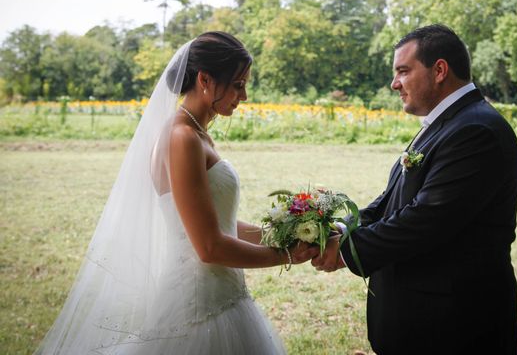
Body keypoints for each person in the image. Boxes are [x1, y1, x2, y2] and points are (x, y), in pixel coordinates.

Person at [35, 32, 316, 354]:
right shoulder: (181, 137)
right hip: (198, 302)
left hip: (223, 292)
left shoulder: (198, 134)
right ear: (205, 79)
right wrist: (287, 256)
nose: (245, 95)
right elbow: (208, 247)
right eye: (238, 84)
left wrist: (278, 234)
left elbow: (217, 223)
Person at [312, 24, 517, 354]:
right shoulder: (447, 123)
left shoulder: (476, 130)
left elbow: (426, 219)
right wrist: (342, 227)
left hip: (453, 328)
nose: (394, 83)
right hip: (421, 321)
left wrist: (345, 250)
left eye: (403, 71)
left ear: (439, 70)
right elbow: (394, 200)